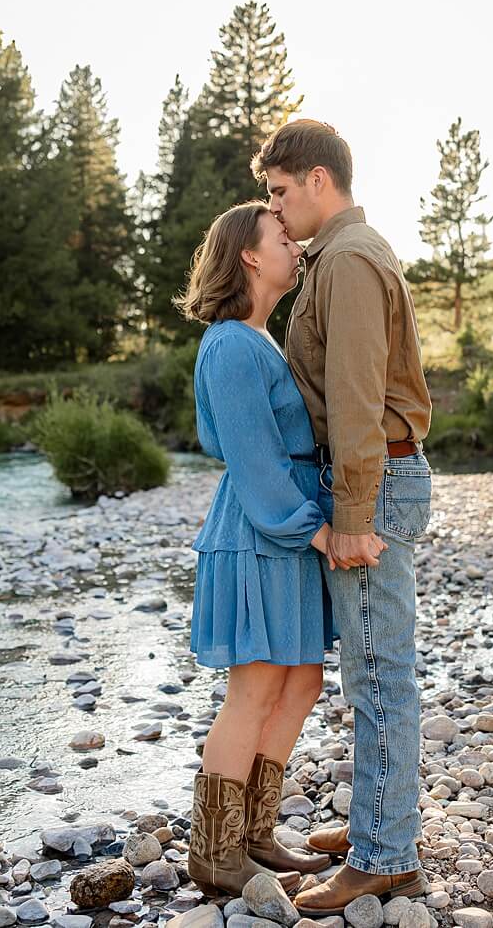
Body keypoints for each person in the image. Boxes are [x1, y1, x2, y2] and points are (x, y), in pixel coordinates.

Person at [253, 120, 434, 914]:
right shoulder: (340, 258)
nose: (275, 208)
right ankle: (377, 829)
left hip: (374, 484)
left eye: (279, 192)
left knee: (377, 672)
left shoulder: (351, 262)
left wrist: (352, 512)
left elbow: (357, 395)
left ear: (318, 181)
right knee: (370, 669)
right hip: (370, 480)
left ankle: (386, 854)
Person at [176, 201, 356, 897]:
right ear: (249, 256)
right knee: (252, 687)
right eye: (282, 237)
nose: (296, 245)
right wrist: (314, 529)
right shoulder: (228, 343)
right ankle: (213, 851)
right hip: (260, 531)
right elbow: (251, 459)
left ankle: (253, 833)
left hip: (282, 530)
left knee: (301, 680)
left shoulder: (258, 339)